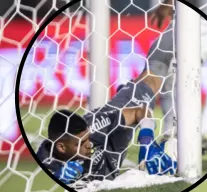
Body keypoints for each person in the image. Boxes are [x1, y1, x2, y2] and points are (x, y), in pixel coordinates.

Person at [35, 69, 175, 185]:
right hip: (106, 174)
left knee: (150, 80)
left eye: (87, 139)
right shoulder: (48, 160)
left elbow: (140, 111)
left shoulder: (95, 126)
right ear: (61, 148)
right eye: (82, 143)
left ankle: (168, 58)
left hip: (118, 129)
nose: (89, 145)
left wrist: (147, 140)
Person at [146, 0, 207, 154]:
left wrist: (168, 3)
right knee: (175, 71)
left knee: (173, 73)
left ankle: (176, 133)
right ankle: (184, 133)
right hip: (203, 29)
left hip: (190, 36)